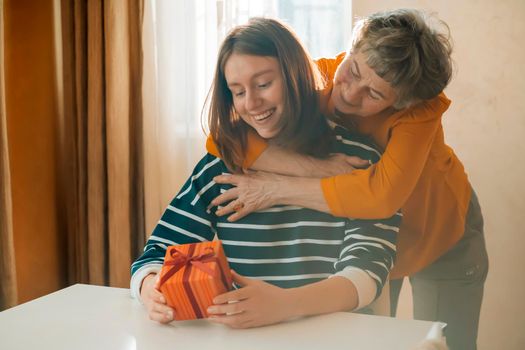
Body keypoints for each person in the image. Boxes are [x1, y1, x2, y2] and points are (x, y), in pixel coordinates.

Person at [206, 9, 488, 350]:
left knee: (444, 343)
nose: (350, 94)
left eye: (375, 95)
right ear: (350, 49)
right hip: (373, 235)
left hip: (441, 233)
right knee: (373, 340)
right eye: (352, 71)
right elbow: (223, 139)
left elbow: (380, 198)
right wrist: (318, 169)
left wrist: (275, 189)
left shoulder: (420, 111)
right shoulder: (317, 76)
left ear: (402, 101)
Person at [131, 17, 399, 329]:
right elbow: (157, 252)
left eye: (263, 84)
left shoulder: (359, 160)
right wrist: (151, 289)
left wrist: (286, 304)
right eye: (238, 91)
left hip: (334, 334)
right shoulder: (222, 163)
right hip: (245, 335)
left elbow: (367, 272)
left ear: (295, 75)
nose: (251, 103)